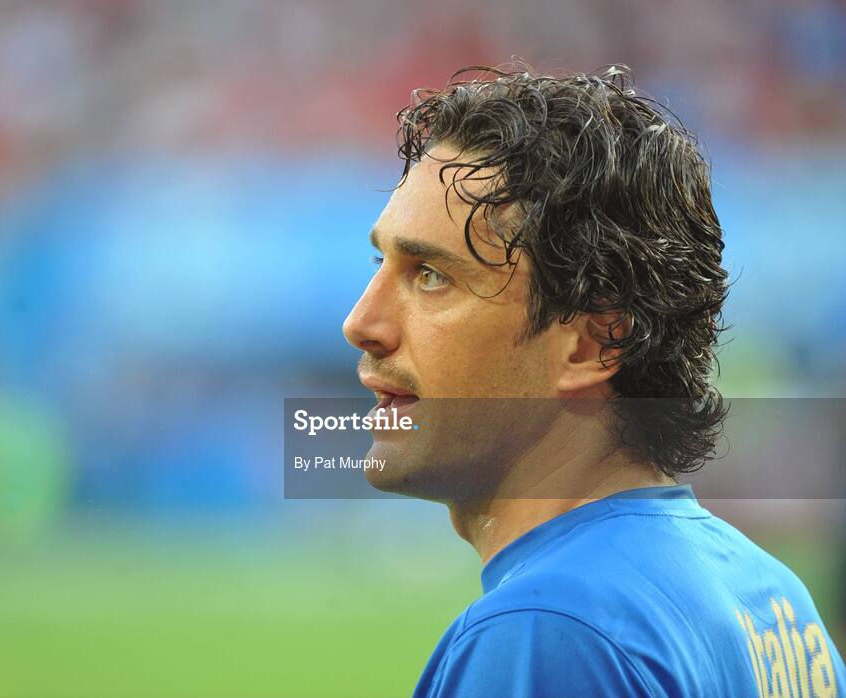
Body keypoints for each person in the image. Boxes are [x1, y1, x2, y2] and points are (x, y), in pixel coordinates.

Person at [342, 65, 845, 697]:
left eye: (431, 276)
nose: (361, 323)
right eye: (379, 262)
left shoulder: (545, 631)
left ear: (588, 344)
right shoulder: (772, 600)